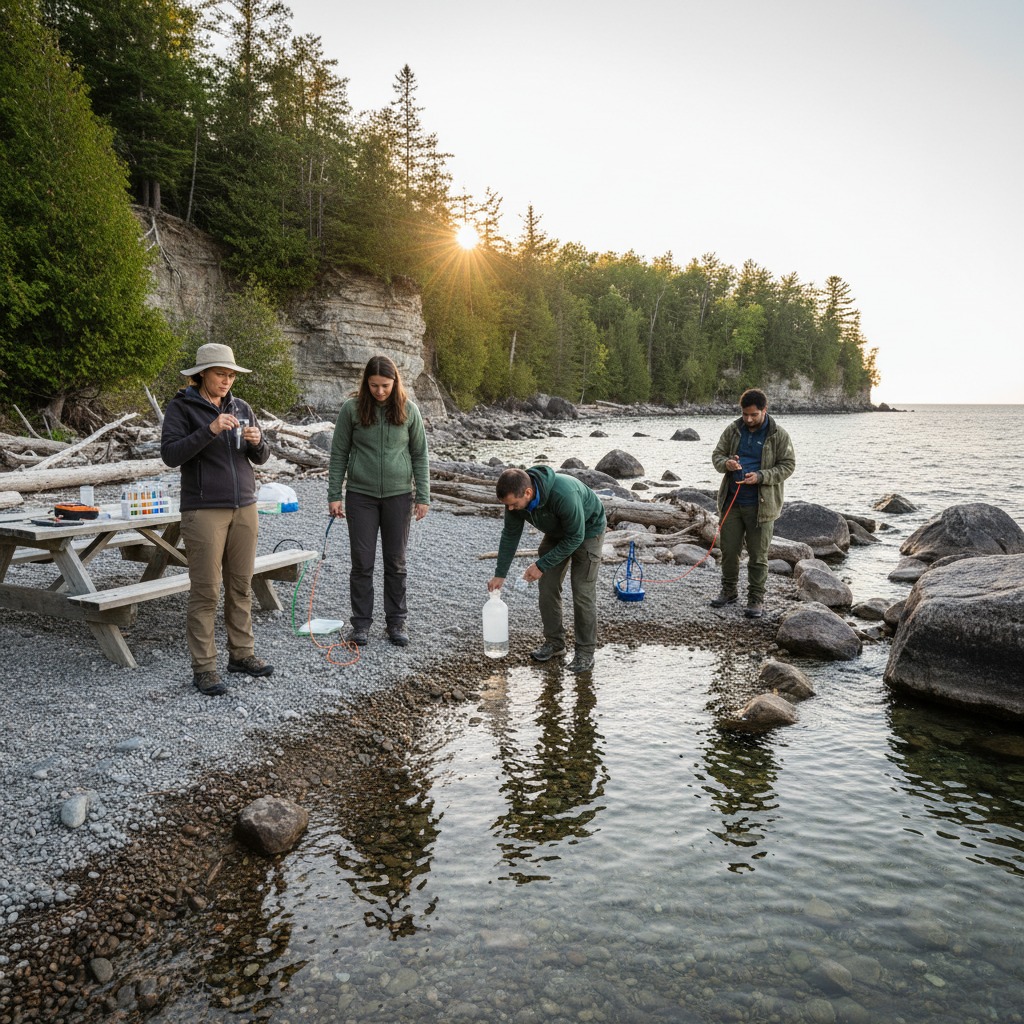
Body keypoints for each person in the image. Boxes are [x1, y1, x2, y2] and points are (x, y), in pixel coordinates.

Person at [160, 343, 273, 697]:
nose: (227, 380)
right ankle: (205, 668)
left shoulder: (242, 407)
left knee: (241, 585)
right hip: (203, 509)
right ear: (202, 374)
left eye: (231, 375)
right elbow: (170, 455)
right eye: (221, 374)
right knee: (206, 591)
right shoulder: (181, 407)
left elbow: (262, 457)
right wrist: (209, 429)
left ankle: (241, 655)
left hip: (245, 506)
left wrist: (258, 442)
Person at [327, 355, 430, 647]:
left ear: (395, 382)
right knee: (362, 562)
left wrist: (423, 495)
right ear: (366, 383)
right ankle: (360, 625)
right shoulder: (352, 409)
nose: (380, 391)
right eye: (374, 386)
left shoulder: (410, 410)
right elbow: (339, 454)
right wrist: (334, 494)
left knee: (396, 562)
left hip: (399, 496)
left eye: (385, 385)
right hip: (361, 496)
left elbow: (420, 454)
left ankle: (396, 622)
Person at [488, 466, 607, 674]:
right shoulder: (515, 503)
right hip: (557, 531)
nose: (511, 509)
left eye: (513, 504)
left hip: (587, 531)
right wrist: (500, 573)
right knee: (547, 587)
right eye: (507, 505)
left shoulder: (563, 494)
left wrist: (541, 565)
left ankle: (585, 653)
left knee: (582, 592)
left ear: (528, 493)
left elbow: (575, 537)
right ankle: (555, 644)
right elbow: (510, 535)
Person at [710, 387, 796, 618]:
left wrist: (761, 476)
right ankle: (729, 591)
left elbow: (788, 466)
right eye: (745, 414)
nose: (748, 419)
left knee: (758, 555)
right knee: (728, 551)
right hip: (731, 502)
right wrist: (727, 463)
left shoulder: (779, 434)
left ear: (764, 411)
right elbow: (717, 456)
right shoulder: (733, 429)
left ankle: (755, 600)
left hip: (762, 506)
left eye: (753, 415)